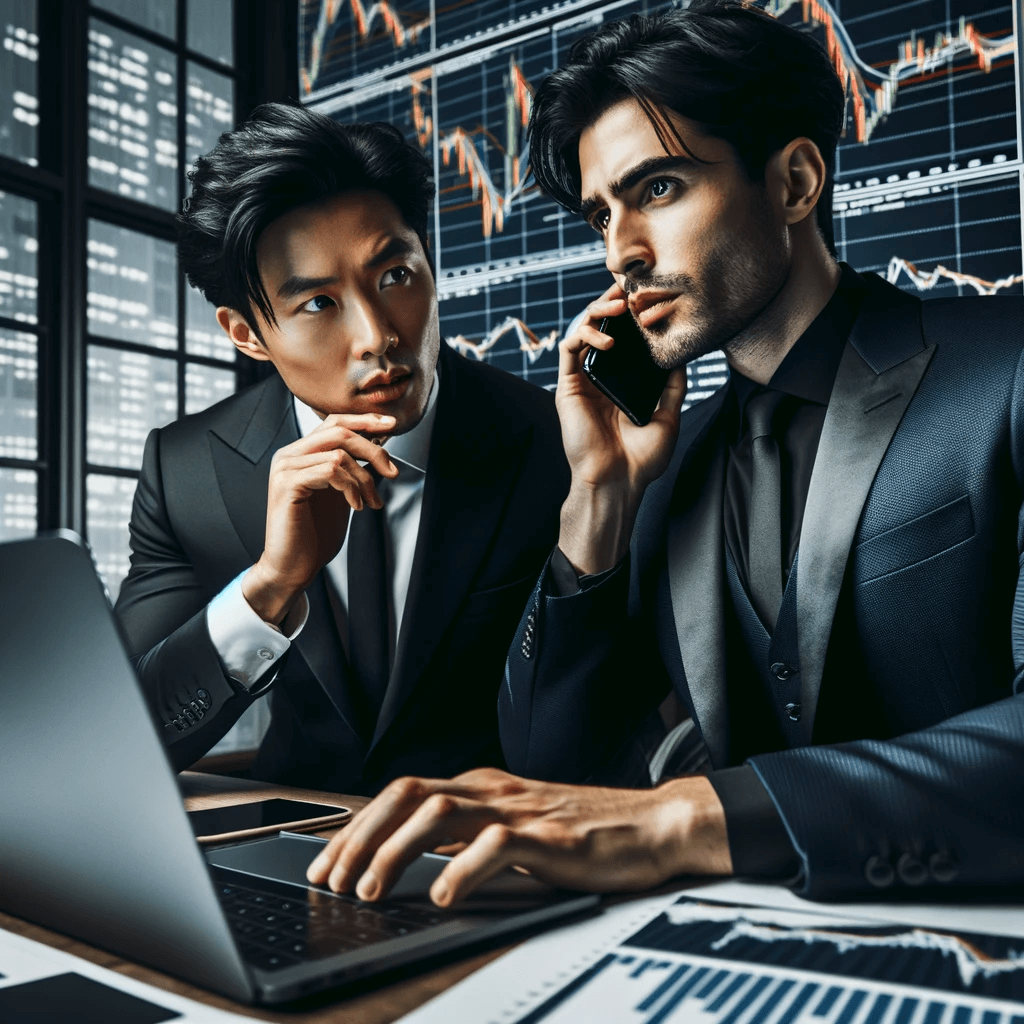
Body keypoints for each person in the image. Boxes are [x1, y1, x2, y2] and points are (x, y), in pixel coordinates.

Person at [305, 2, 1024, 904]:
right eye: (602, 214)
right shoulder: (667, 470)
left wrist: (692, 818)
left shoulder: (1011, 368)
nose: (621, 253)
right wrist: (598, 497)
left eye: (657, 189)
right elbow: (547, 762)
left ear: (795, 182)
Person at [116, 103, 569, 795]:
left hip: (496, 856)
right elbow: (127, 730)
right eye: (319, 304)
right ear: (245, 334)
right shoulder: (186, 472)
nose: (377, 335)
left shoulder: (560, 443)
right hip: (296, 843)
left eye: (395, 276)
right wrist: (270, 586)